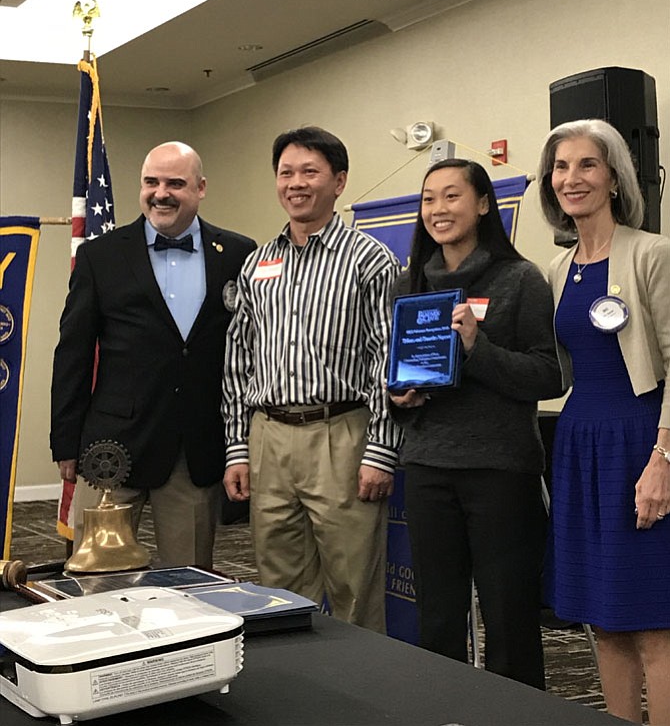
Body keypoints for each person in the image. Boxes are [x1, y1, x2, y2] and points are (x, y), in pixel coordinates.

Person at [389, 158, 564, 689]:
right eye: (428, 200)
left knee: (508, 616)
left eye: (451, 197)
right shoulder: (410, 283)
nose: (438, 210)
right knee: (438, 616)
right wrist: (399, 395)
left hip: (499, 471)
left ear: (484, 204)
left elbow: (549, 375)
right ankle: (447, 711)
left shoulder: (520, 278)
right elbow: (397, 373)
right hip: (426, 468)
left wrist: (476, 349)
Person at [222, 126, 401, 632]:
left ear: (339, 182)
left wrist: (381, 451)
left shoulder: (371, 260)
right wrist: (238, 447)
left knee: (354, 587)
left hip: (341, 435)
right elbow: (239, 359)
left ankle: (363, 701)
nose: (295, 183)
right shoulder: (258, 263)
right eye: (285, 173)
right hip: (268, 437)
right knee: (276, 589)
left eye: (309, 172)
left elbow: (384, 359)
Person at [51, 141, 256, 569]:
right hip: (110, 450)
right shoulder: (100, 256)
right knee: (94, 580)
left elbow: (248, 351)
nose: (161, 193)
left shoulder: (238, 254)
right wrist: (65, 442)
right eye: (151, 182)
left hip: (193, 446)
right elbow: (73, 351)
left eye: (175, 183)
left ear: (200, 189)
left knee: (191, 584)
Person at [538, 119, 670, 725]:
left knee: (652, 622)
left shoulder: (652, 252)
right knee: (603, 618)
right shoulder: (560, 268)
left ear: (614, 176)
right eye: (561, 168)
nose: (572, 179)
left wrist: (663, 461)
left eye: (587, 165)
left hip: (640, 443)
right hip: (579, 445)